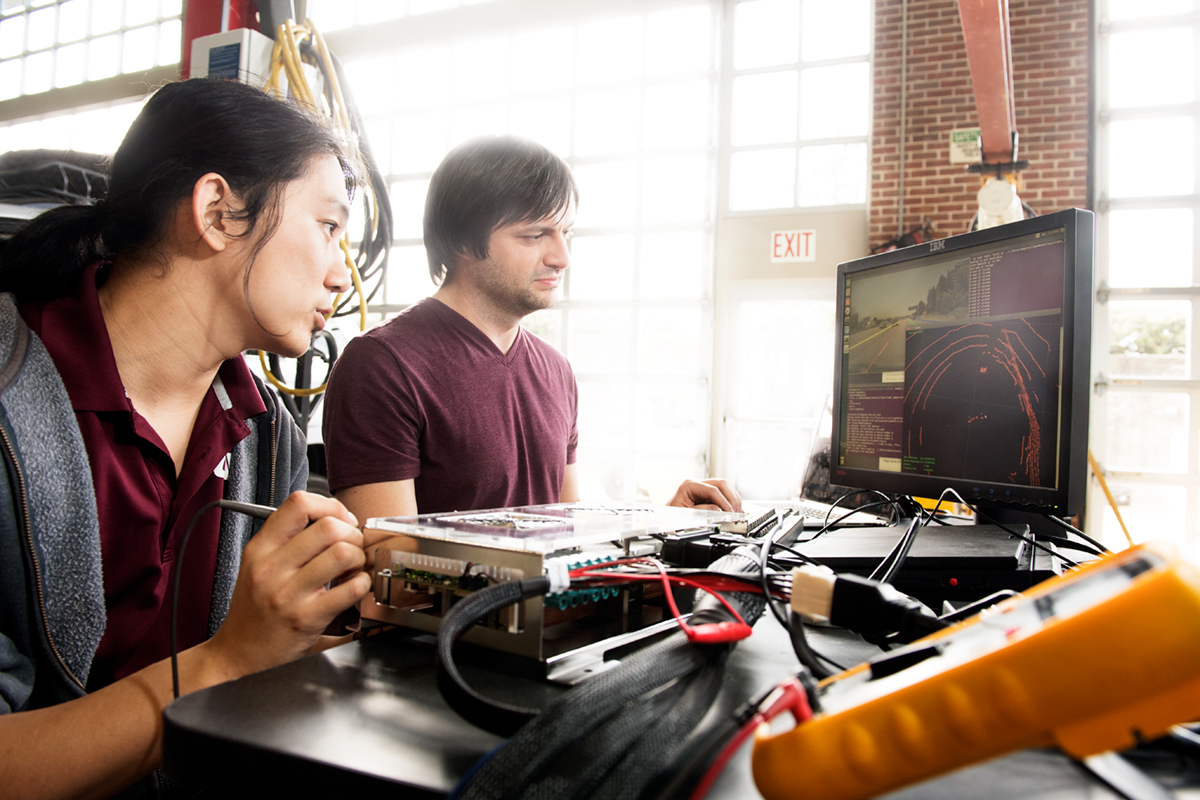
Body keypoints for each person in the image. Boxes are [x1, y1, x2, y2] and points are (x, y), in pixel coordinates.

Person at [0, 78, 371, 799]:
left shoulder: (268, 438)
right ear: (216, 212)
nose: (339, 277)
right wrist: (227, 660)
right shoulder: (11, 394)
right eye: (327, 227)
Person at [322, 135, 740, 526]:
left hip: (553, 606)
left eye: (566, 232)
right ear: (463, 241)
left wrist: (667, 522)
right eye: (536, 235)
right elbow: (389, 567)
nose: (562, 257)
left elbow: (565, 531)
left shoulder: (556, 370)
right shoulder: (381, 366)